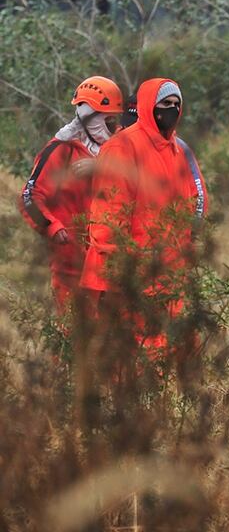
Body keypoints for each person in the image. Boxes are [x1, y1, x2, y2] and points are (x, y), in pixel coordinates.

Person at [79, 78, 208, 354]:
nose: (171, 110)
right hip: (131, 275)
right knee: (133, 357)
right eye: (165, 104)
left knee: (169, 354)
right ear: (149, 106)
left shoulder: (175, 150)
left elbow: (190, 204)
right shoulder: (122, 147)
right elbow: (107, 218)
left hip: (168, 274)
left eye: (176, 104)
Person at [20, 76, 124, 313]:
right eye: (107, 121)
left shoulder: (120, 148)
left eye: (114, 120)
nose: (112, 127)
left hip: (111, 259)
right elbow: (30, 195)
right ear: (90, 116)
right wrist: (52, 227)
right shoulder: (60, 150)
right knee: (73, 334)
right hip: (72, 263)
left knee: (112, 339)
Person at [120, 92, 208, 221]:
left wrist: (194, 229)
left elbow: (199, 194)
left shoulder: (179, 148)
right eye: (129, 125)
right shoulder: (114, 145)